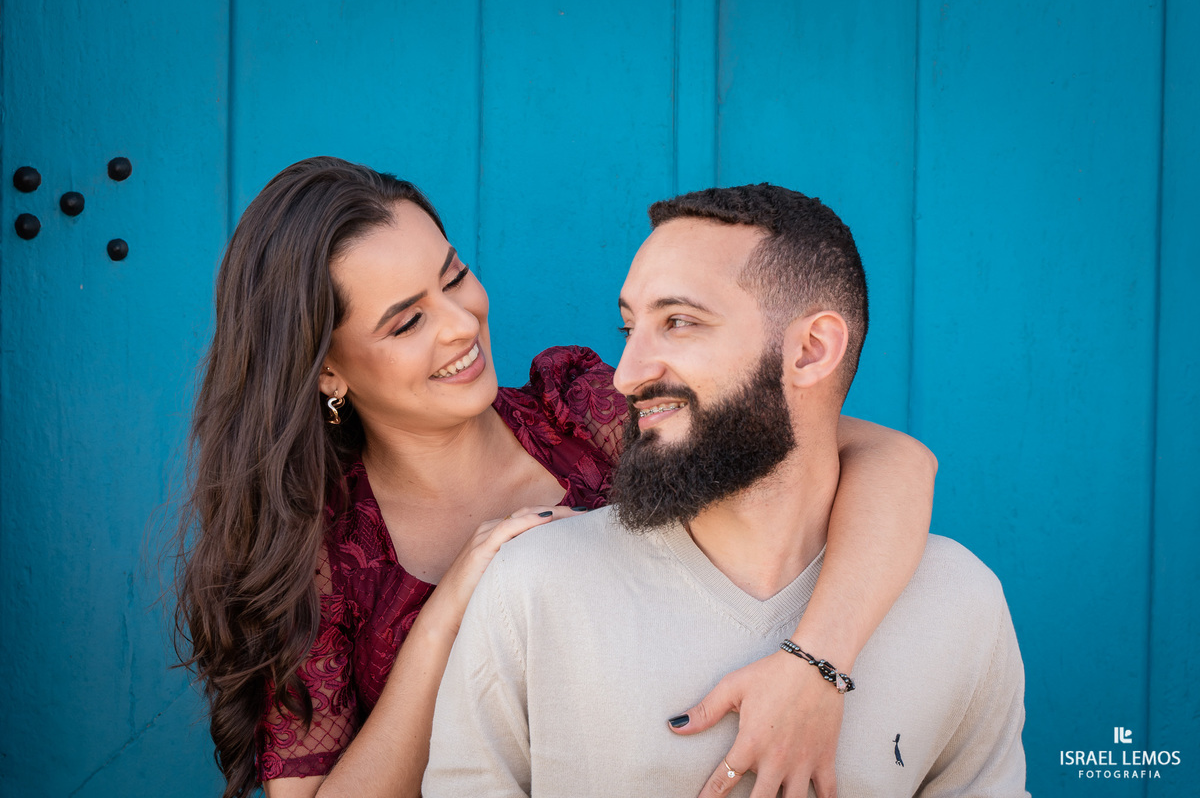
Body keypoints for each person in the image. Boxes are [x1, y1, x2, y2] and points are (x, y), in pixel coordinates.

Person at [175, 158, 938, 798]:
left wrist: (815, 668)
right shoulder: (317, 548)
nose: (460, 323)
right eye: (406, 321)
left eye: (455, 276)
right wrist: (455, 607)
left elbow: (896, 460)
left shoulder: (581, 411)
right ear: (329, 368)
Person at [424, 184, 1028, 797]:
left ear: (811, 349)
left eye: (679, 322)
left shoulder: (961, 603)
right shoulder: (533, 587)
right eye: (628, 327)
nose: (627, 374)